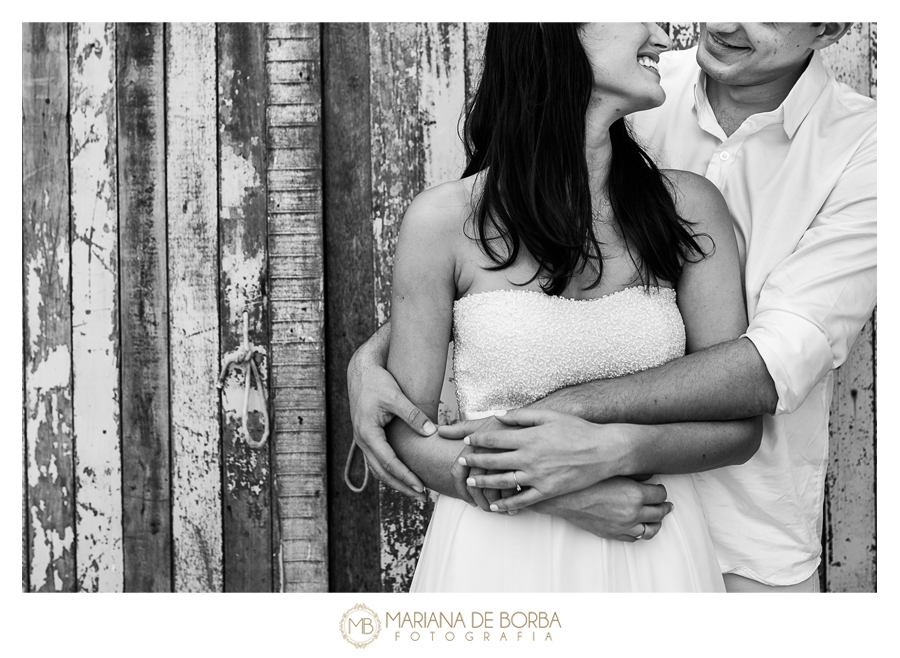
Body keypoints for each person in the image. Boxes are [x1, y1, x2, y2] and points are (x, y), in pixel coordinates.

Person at [350, 22, 876, 593]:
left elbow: (770, 366)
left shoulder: (863, 151)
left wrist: (580, 430)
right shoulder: (646, 85)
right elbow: (480, 309)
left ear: (830, 28)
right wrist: (372, 359)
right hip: (500, 555)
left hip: (719, 538)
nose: (722, 22)